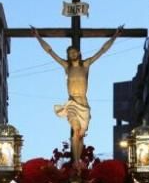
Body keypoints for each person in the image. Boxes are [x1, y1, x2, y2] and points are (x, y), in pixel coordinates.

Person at [31, 24, 123, 166]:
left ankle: (79, 162)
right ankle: (75, 164)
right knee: (75, 131)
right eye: (70, 53)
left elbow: (102, 51)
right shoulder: (66, 67)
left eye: (74, 52)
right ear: (68, 55)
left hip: (84, 104)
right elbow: (50, 51)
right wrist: (37, 37)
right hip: (72, 103)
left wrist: (115, 36)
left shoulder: (85, 65)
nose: (72, 54)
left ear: (78, 53)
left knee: (80, 135)